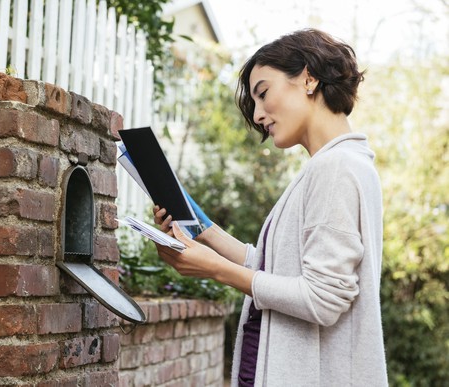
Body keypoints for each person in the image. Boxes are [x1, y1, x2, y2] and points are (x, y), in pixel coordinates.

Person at [152, 28, 388, 386]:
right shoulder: (332, 166)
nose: (259, 114)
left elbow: (322, 299)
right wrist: (204, 231)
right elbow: (274, 270)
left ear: (308, 78)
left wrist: (214, 269)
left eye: (263, 93)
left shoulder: (335, 168)